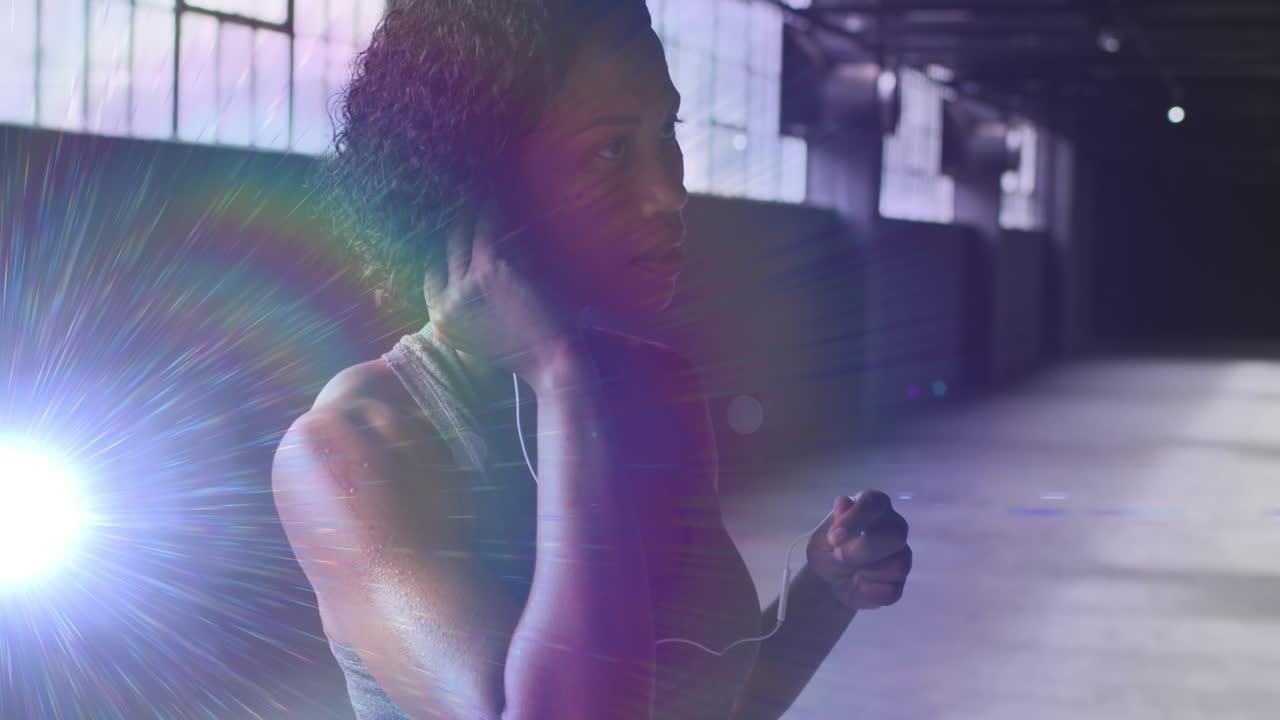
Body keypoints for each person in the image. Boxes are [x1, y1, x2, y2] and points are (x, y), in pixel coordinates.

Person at [273, 2, 913, 719]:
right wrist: (563, 380)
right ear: (479, 180)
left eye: (667, 131)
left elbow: (699, 699)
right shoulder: (348, 451)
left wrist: (822, 594)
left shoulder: (658, 387)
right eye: (611, 149)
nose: (671, 192)